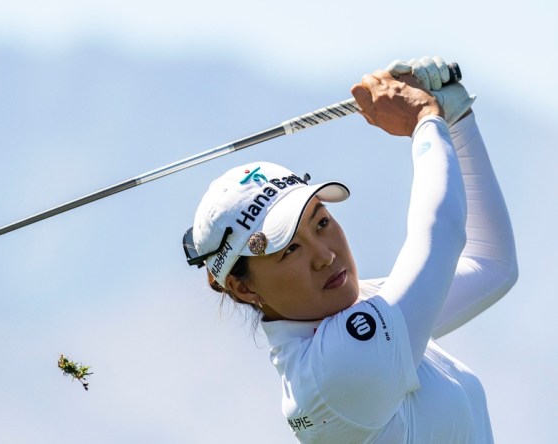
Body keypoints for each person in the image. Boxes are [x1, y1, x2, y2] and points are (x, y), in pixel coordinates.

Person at [183, 56, 518, 443]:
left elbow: (492, 264)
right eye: (289, 250)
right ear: (244, 288)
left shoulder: (362, 311)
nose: (324, 255)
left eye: (321, 223)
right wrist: (425, 121)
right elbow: (440, 236)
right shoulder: (335, 372)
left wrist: (454, 119)